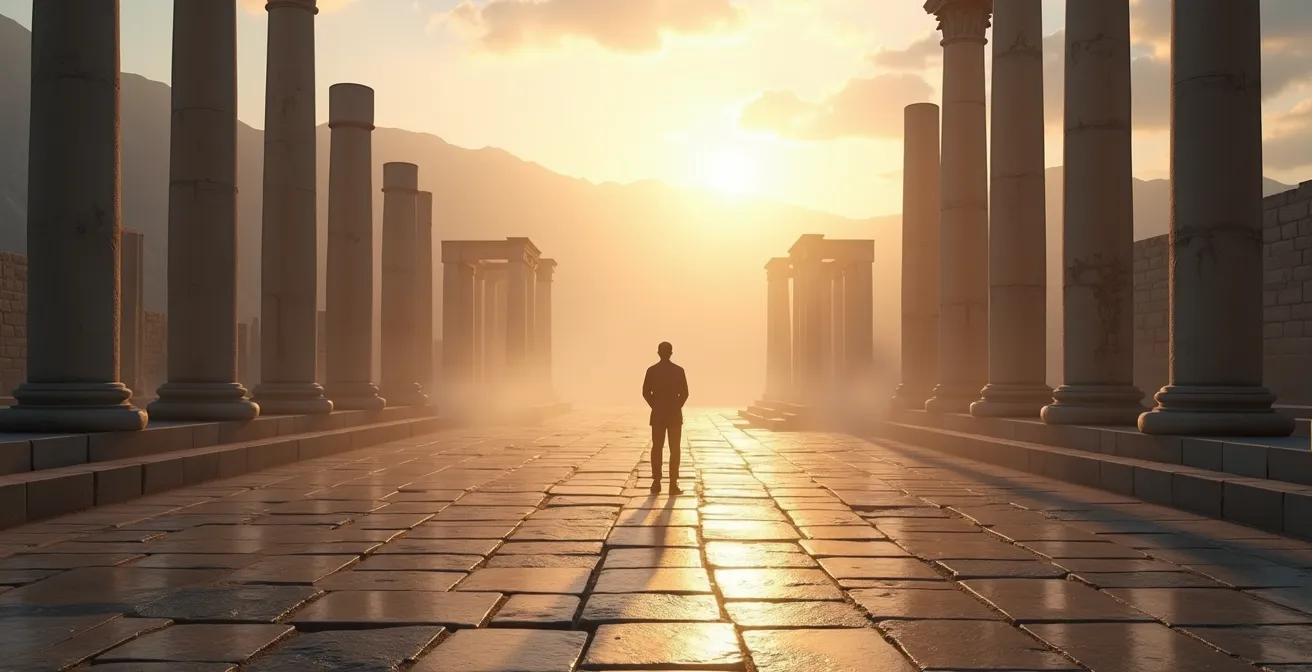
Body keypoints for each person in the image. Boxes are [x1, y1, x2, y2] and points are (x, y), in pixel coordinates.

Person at [642, 341, 689, 494]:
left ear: (658, 353)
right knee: (674, 449)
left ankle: (656, 482)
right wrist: (676, 406)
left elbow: (645, 392)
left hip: (658, 414)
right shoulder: (678, 371)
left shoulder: (652, 370)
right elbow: (685, 393)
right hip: (674, 414)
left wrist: (655, 406)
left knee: (657, 448)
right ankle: (673, 484)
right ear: (671, 353)